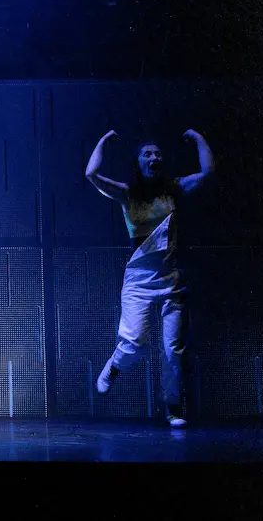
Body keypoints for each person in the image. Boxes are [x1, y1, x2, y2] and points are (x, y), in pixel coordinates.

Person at [85, 129, 214, 428]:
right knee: (134, 342)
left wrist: (196, 137)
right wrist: (104, 139)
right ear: (139, 162)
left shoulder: (174, 189)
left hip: (172, 278)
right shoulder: (127, 194)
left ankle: (173, 406)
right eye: (147, 154)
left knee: (173, 350)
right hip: (139, 279)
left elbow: (208, 172)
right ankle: (114, 366)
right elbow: (91, 174)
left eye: (158, 154)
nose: (154, 157)